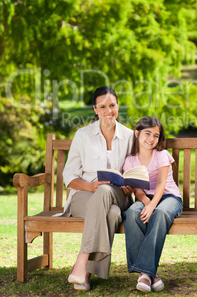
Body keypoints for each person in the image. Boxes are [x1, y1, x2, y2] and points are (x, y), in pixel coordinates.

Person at [63, 86, 133, 291]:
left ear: (118, 107)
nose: (108, 111)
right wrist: (90, 186)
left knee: (106, 194)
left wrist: (130, 183)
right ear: (95, 109)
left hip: (120, 195)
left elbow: (135, 170)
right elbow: (69, 176)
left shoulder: (129, 136)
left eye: (112, 105)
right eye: (102, 106)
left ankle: (81, 261)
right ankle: (86, 273)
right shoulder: (82, 135)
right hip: (84, 196)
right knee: (111, 214)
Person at [122, 116, 183, 293]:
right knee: (132, 213)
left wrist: (153, 205)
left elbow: (161, 184)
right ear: (137, 133)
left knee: (160, 213)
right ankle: (150, 274)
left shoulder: (162, 155)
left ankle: (144, 273)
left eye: (156, 135)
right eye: (147, 133)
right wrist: (146, 203)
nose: (151, 139)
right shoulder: (130, 160)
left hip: (169, 197)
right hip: (145, 198)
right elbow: (137, 189)